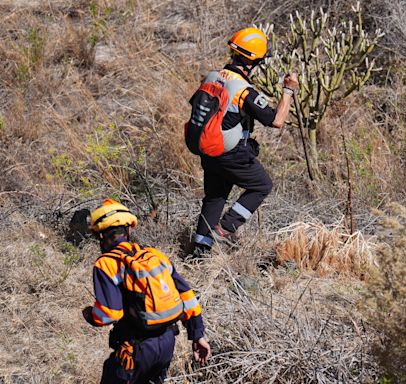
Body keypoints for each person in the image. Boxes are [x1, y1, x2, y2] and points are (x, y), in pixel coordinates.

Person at [192, 26, 299, 256]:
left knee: (215, 197)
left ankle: (199, 252)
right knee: (262, 185)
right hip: (230, 153)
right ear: (252, 62)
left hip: (208, 151)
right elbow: (277, 120)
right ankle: (227, 227)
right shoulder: (244, 90)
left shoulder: (211, 77)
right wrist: (288, 91)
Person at [82, 199, 211, 384]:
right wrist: (197, 334)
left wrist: (90, 315)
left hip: (136, 349)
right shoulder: (155, 255)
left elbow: (109, 314)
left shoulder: (106, 264)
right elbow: (187, 296)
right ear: (129, 230)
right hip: (167, 344)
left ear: (100, 236)